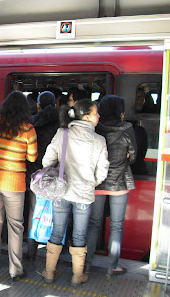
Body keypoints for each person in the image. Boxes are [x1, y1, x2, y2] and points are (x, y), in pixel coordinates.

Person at [41, 99, 109, 287]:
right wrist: (90, 183)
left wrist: (56, 174)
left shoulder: (63, 133)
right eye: (96, 113)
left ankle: (49, 272)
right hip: (84, 195)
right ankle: (77, 276)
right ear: (86, 117)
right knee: (80, 235)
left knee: (57, 232)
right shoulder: (99, 140)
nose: (98, 117)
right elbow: (102, 171)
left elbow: (47, 160)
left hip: (61, 192)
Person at [0, 91, 37, 281]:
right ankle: (15, 270)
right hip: (14, 183)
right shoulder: (28, 129)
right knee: (15, 226)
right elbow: (32, 157)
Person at [86, 95, 137, 277]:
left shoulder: (95, 128)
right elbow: (134, 156)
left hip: (97, 182)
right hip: (120, 182)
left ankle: (86, 264)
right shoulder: (128, 129)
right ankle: (112, 266)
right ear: (119, 110)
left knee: (93, 224)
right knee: (116, 225)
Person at [26, 91, 60, 261]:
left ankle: (31, 252)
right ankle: (52, 257)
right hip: (56, 177)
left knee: (34, 212)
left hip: (35, 177)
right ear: (55, 105)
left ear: (37, 105)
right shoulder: (62, 126)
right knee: (57, 215)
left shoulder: (32, 123)